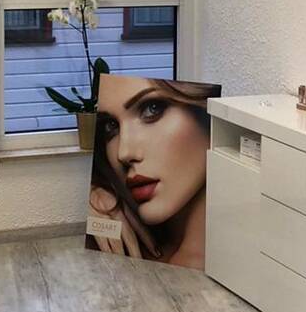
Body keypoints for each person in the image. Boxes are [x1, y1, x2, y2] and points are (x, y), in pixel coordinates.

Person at [87, 76, 220, 269]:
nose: (124, 153)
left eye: (152, 109)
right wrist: (95, 201)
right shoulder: (117, 238)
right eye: (111, 126)